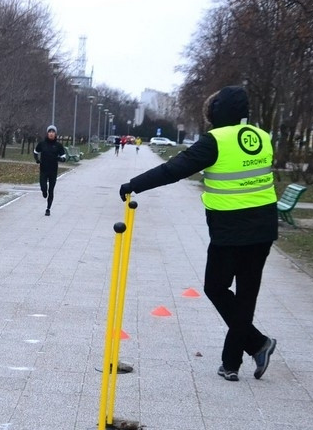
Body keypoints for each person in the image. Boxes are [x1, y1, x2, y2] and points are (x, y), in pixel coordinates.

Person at [118, 85, 277, 382]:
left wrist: (134, 184)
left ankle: (256, 345)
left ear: (216, 112)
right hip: (264, 227)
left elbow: (173, 170)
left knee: (215, 288)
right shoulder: (261, 136)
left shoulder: (215, 141)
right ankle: (234, 361)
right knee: (246, 296)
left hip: (230, 230)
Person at [33, 125, 67, 216]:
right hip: (43, 169)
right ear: (47, 133)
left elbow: (64, 157)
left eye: (53, 132)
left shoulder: (58, 146)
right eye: (50, 132)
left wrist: (60, 159)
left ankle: (48, 209)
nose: (51, 134)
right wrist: (37, 159)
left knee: (51, 190)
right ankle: (44, 191)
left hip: (53, 170)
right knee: (43, 187)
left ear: (55, 134)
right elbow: (35, 152)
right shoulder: (42, 144)